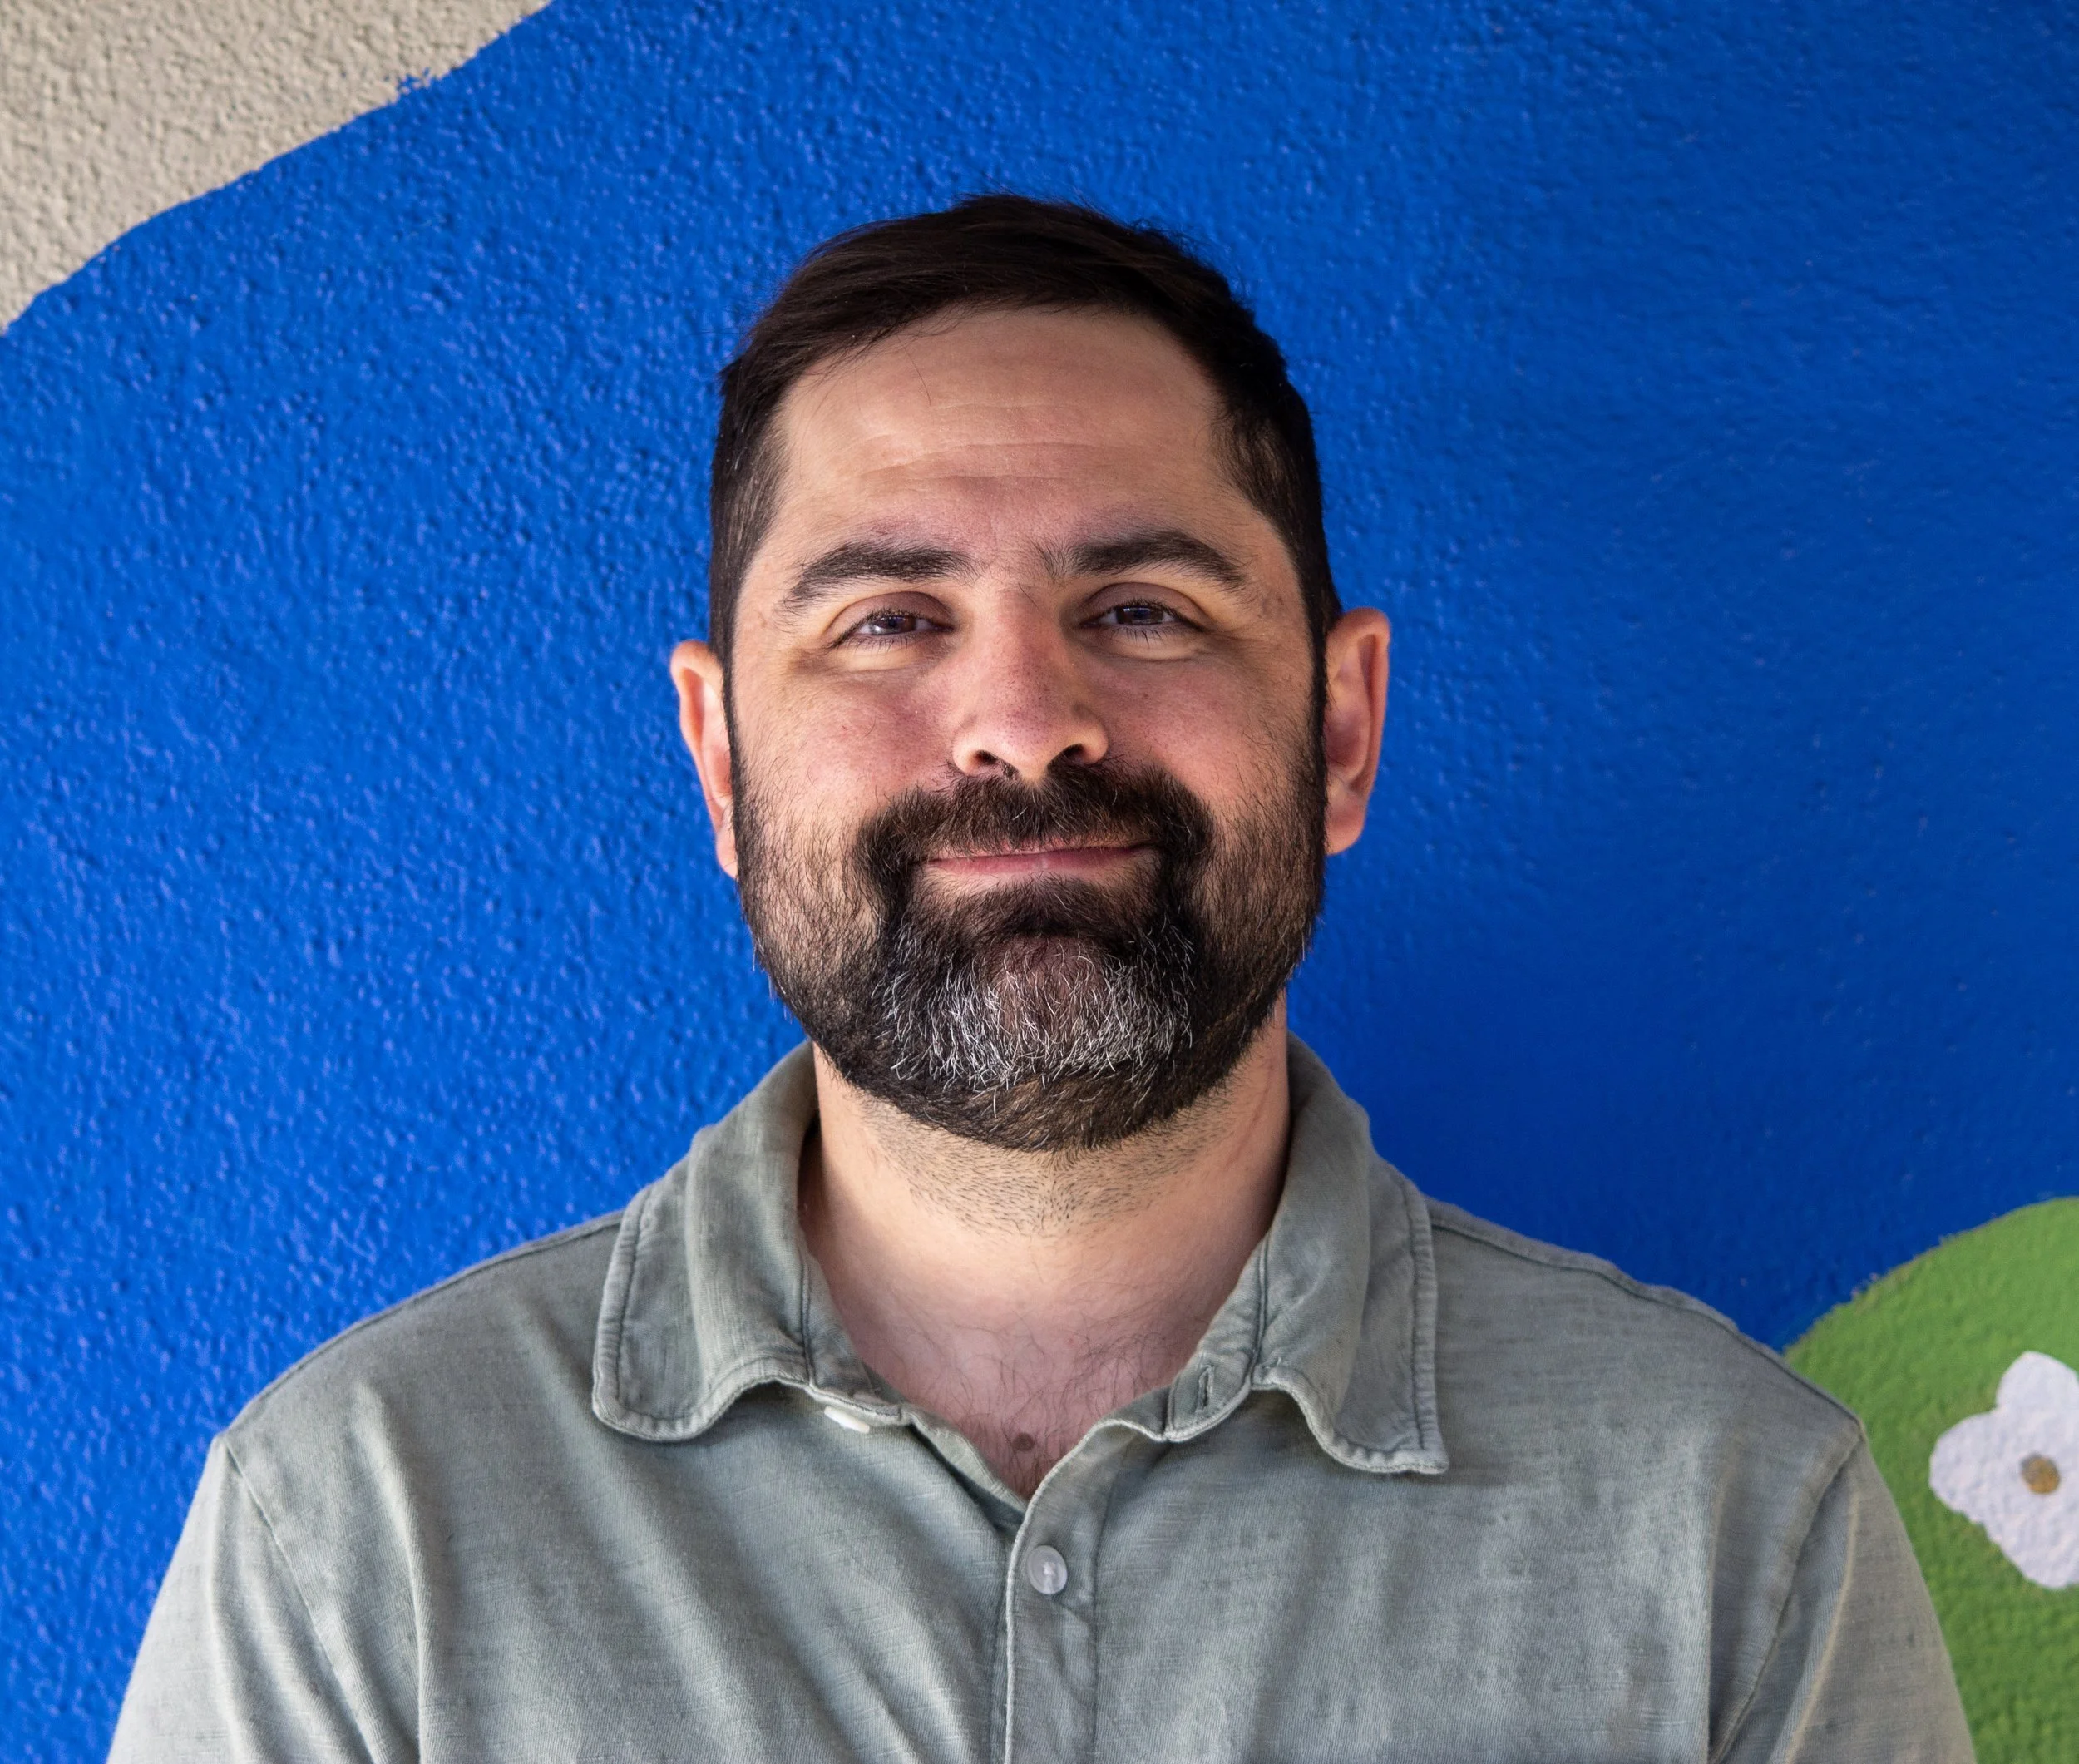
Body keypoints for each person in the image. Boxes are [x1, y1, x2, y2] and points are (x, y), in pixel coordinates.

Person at [111, 196, 1973, 1762]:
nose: (1018, 720)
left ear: (1339, 727)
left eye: (1141, 609)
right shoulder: (357, 1533)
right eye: (886, 620)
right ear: (720, 760)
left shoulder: (1734, 1523)